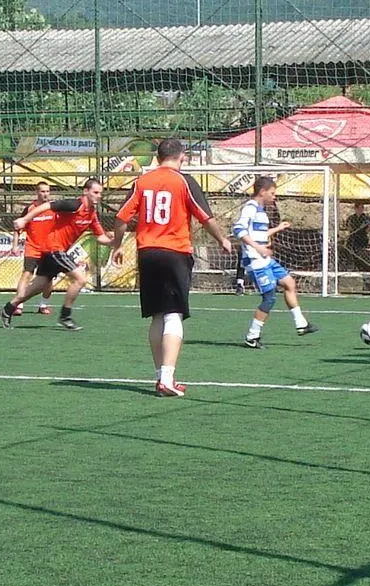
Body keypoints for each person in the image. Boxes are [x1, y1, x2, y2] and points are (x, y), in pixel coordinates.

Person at [108, 138, 234, 397]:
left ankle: (161, 377)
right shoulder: (184, 181)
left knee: (157, 315)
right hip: (174, 253)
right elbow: (205, 217)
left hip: (147, 253)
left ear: (157, 157)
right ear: (182, 156)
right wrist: (222, 239)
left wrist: (117, 245)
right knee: (174, 314)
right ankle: (167, 378)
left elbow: (121, 218)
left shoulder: (142, 181)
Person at [0, 178, 114, 332]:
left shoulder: (91, 213)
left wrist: (114, 241)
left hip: (54, 252)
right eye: (95, 192)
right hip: (53, 249)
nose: (99, 196)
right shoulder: (74, 205)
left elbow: (100, 237)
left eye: (100, 193)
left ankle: (7, 309)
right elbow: (47, 205)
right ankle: (65, 316)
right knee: (80, 278)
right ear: (86, 191)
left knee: (36, 288)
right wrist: (25, 219)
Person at [233, 175, 316, 348]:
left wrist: (278, 228)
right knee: (269, 298)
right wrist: (259, 248)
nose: (274, 196)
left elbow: (258, 233)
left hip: (265, 260)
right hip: (256, 261)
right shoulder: (250, 208)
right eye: (272, 193)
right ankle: (252, 337)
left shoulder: (261, 210)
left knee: (289, 283)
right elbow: (239, 229)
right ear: (262, 192)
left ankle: (301, 324)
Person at [9, 181, 57, 318]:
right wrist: (15, 246)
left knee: (48, 279)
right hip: (32, 248)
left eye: (47, 191)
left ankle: (43, 305)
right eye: (42, 191)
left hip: (49, 249)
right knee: (26, 275)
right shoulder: (29, 209)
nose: (45, 194)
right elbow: (18, 228)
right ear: (37, 193)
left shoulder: (54, 208)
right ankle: (18, 305)